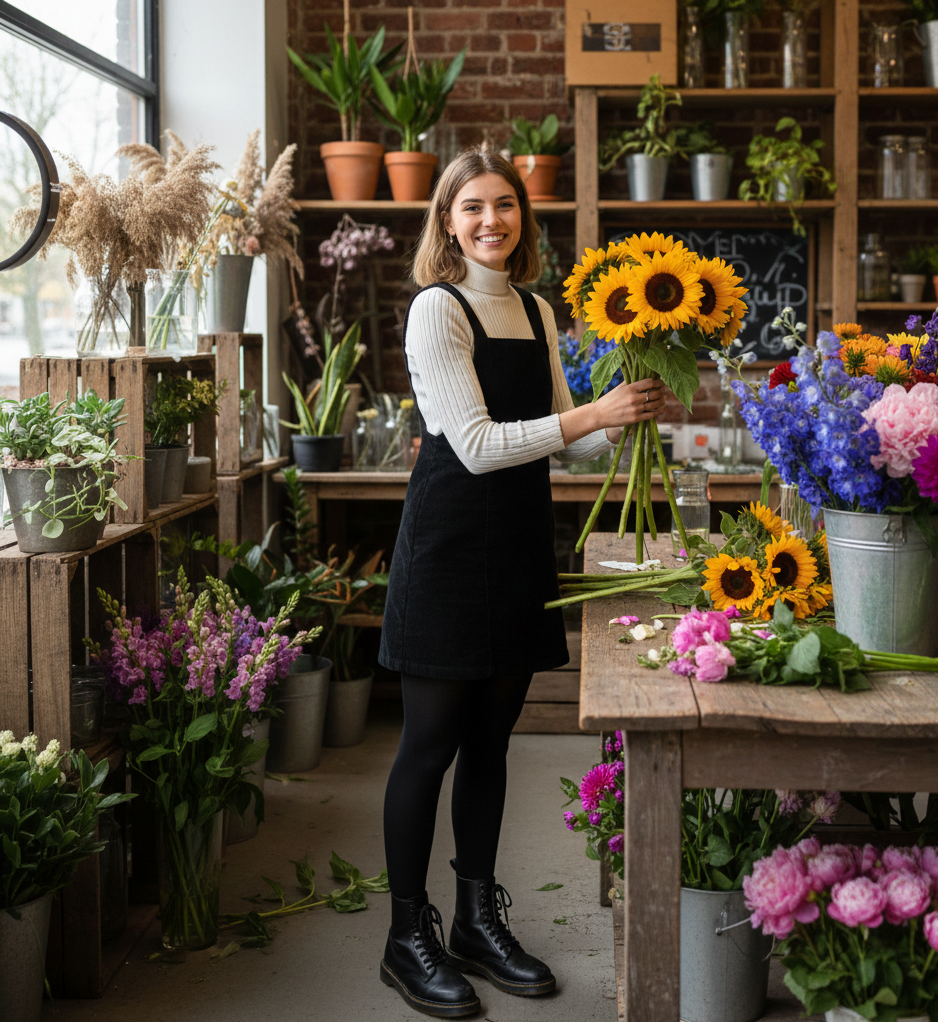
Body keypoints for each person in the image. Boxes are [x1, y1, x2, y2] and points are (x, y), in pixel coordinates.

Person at [377, 146, 667, 1017]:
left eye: (505, 205)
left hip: (516, 549)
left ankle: (475, 917)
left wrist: (627, 412)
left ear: (523, 218)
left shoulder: (537, 310)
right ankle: (405, 935)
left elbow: (563, 438)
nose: (491, 221)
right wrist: (588, 414)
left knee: (492, 742)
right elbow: (474, 444)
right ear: (446, 221)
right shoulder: (438, 309)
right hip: (449, 553)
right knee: (429, 745)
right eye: (472, 208)